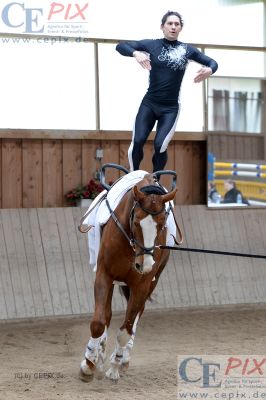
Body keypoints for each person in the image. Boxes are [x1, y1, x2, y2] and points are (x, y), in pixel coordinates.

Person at [116, 11, 218, 172]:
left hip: (170, 108)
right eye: (169, 23)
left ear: (181, 28)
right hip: (149, 104)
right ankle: (133, 175)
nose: (173, 27)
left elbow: (212, 62)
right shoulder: (151, 45)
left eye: (177, 24)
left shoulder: (187, 50)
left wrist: (210, 70)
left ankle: (156, 178)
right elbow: (120, 46)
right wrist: (135, 53)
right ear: (162, 27)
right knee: (138, 140)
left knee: (160, 145)